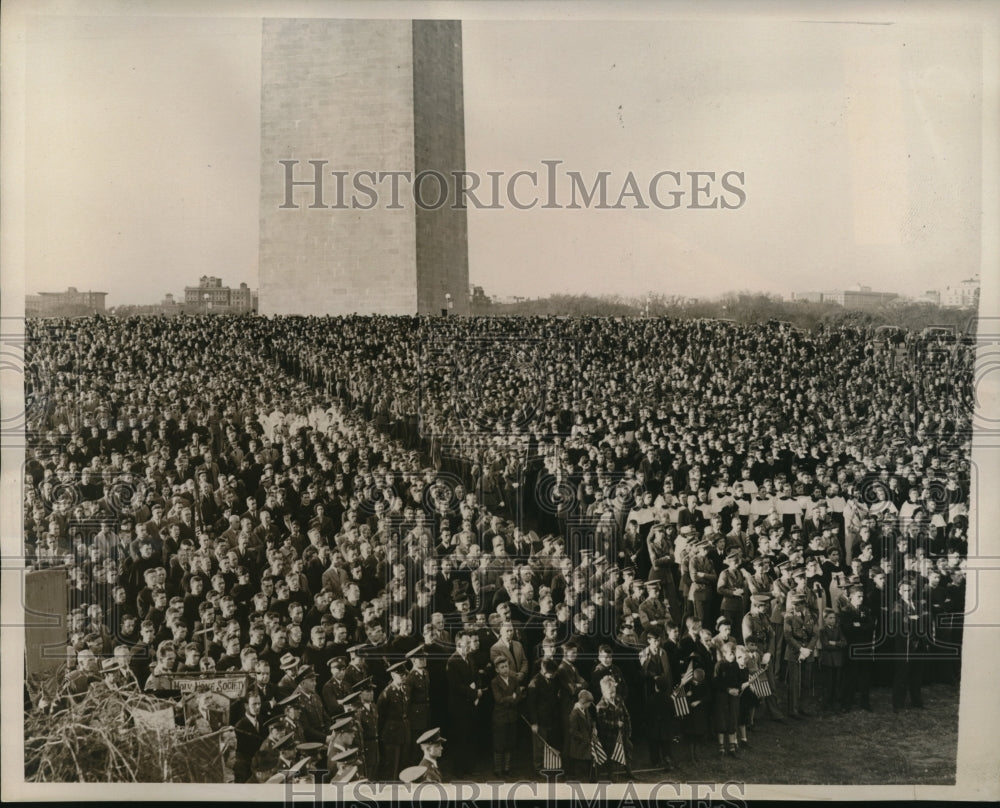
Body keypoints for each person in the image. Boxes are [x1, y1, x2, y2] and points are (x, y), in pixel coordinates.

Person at [526, 658, 566, 776]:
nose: (553, 675)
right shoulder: (534, 683)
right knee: (539, 745)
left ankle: (549, 765)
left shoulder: (554, 679)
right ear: (543, 672)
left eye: (554, 673)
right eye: (551, 674)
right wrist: (534, 723)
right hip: (539, 719)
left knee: (550, 743)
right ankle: (538, 767)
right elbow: (531, 705)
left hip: (551, 717)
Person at [783, 592, 817, 719]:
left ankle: (804, 707)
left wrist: (808, 649)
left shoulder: (811, 615)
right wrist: (800, 649)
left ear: (804, 604)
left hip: (808, 652)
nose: (795, 607)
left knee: (806, 681)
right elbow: (788, 636)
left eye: (798, 604)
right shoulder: (789, 616)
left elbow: (815, 634)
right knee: (794, 682)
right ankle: (793, 710)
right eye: (794, 604)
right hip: (794, 652)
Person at [594, 675, 633, 781]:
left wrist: (628, 730)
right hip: (609, 737)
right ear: (603, 692)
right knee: (611, 754)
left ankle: (628, 770)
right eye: (610, 693)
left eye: (614, 692)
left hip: (622, 733)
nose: (612, 695)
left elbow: (626, 715)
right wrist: (616, 724)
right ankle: (610, 774)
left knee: (626, 751)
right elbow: (602, 723)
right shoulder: (600, 706)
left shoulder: (619, 699)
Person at [377, 661, 410, 779]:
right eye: (400, 675)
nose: (403, 677)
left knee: (403, 764)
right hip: (391, 733)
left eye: (404, 675)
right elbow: (380, 717)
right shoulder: (387, 693)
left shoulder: (404, 689)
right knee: (392, 767)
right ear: (393, 676)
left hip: (402, 732)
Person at [566, 689, 595, 781]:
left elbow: (590, 722)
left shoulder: (585, 710)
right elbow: (573, 730)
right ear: (583, 702)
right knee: (580, 767)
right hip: (579, 746)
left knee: (586, 766)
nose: (590, 705)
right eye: (589, 703)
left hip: (586, 744)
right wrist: (583, 738)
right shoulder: (575, 713)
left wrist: (594, 728)